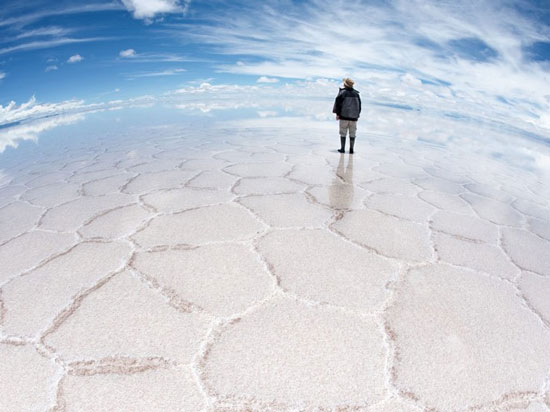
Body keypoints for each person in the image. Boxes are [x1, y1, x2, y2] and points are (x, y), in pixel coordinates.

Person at [332, 78, 361, 154]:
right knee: (353, 133)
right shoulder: (356, 94)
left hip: (344, 116)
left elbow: (338, 104)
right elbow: (359, 106)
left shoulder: (343, 93)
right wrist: (357, 115)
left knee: (343, 132)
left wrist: (337, 114)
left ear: (345, 84)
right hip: (354, 118)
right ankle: (351, 150)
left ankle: (342, 149)